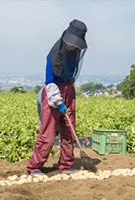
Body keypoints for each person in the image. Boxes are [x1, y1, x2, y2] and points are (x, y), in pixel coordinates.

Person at [27, 19, 88, 174]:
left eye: (76, 43)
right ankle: (34, 167)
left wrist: (67, 99)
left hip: (69, 93)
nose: (73, 46)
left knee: (69, 132)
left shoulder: (73, 54)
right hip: (53, 95)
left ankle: (66, 164)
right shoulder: (54, 55)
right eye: (72, 42)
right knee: (48, 134)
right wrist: (59, 102)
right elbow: (49, 82)